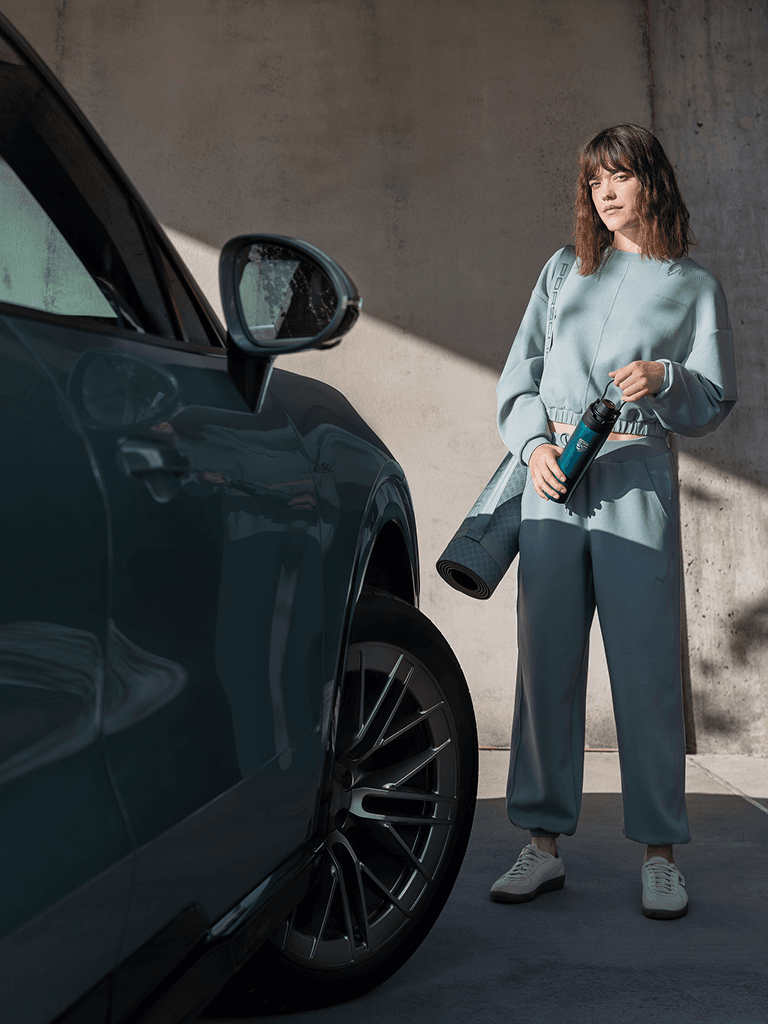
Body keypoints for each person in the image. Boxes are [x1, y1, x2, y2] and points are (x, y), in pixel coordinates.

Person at [489, 124, 737, 919]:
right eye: (594, 179)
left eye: (620, 175)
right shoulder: (565, 270)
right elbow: (519, 372)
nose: (604, 191)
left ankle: (660, 856)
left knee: (646, 671)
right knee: (546, 667)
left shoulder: (693, 285)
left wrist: (666, 376)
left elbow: (713, 397)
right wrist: (531, 447)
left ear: (650, 183)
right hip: (554, 480)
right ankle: (541, 845)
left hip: (635, 479)